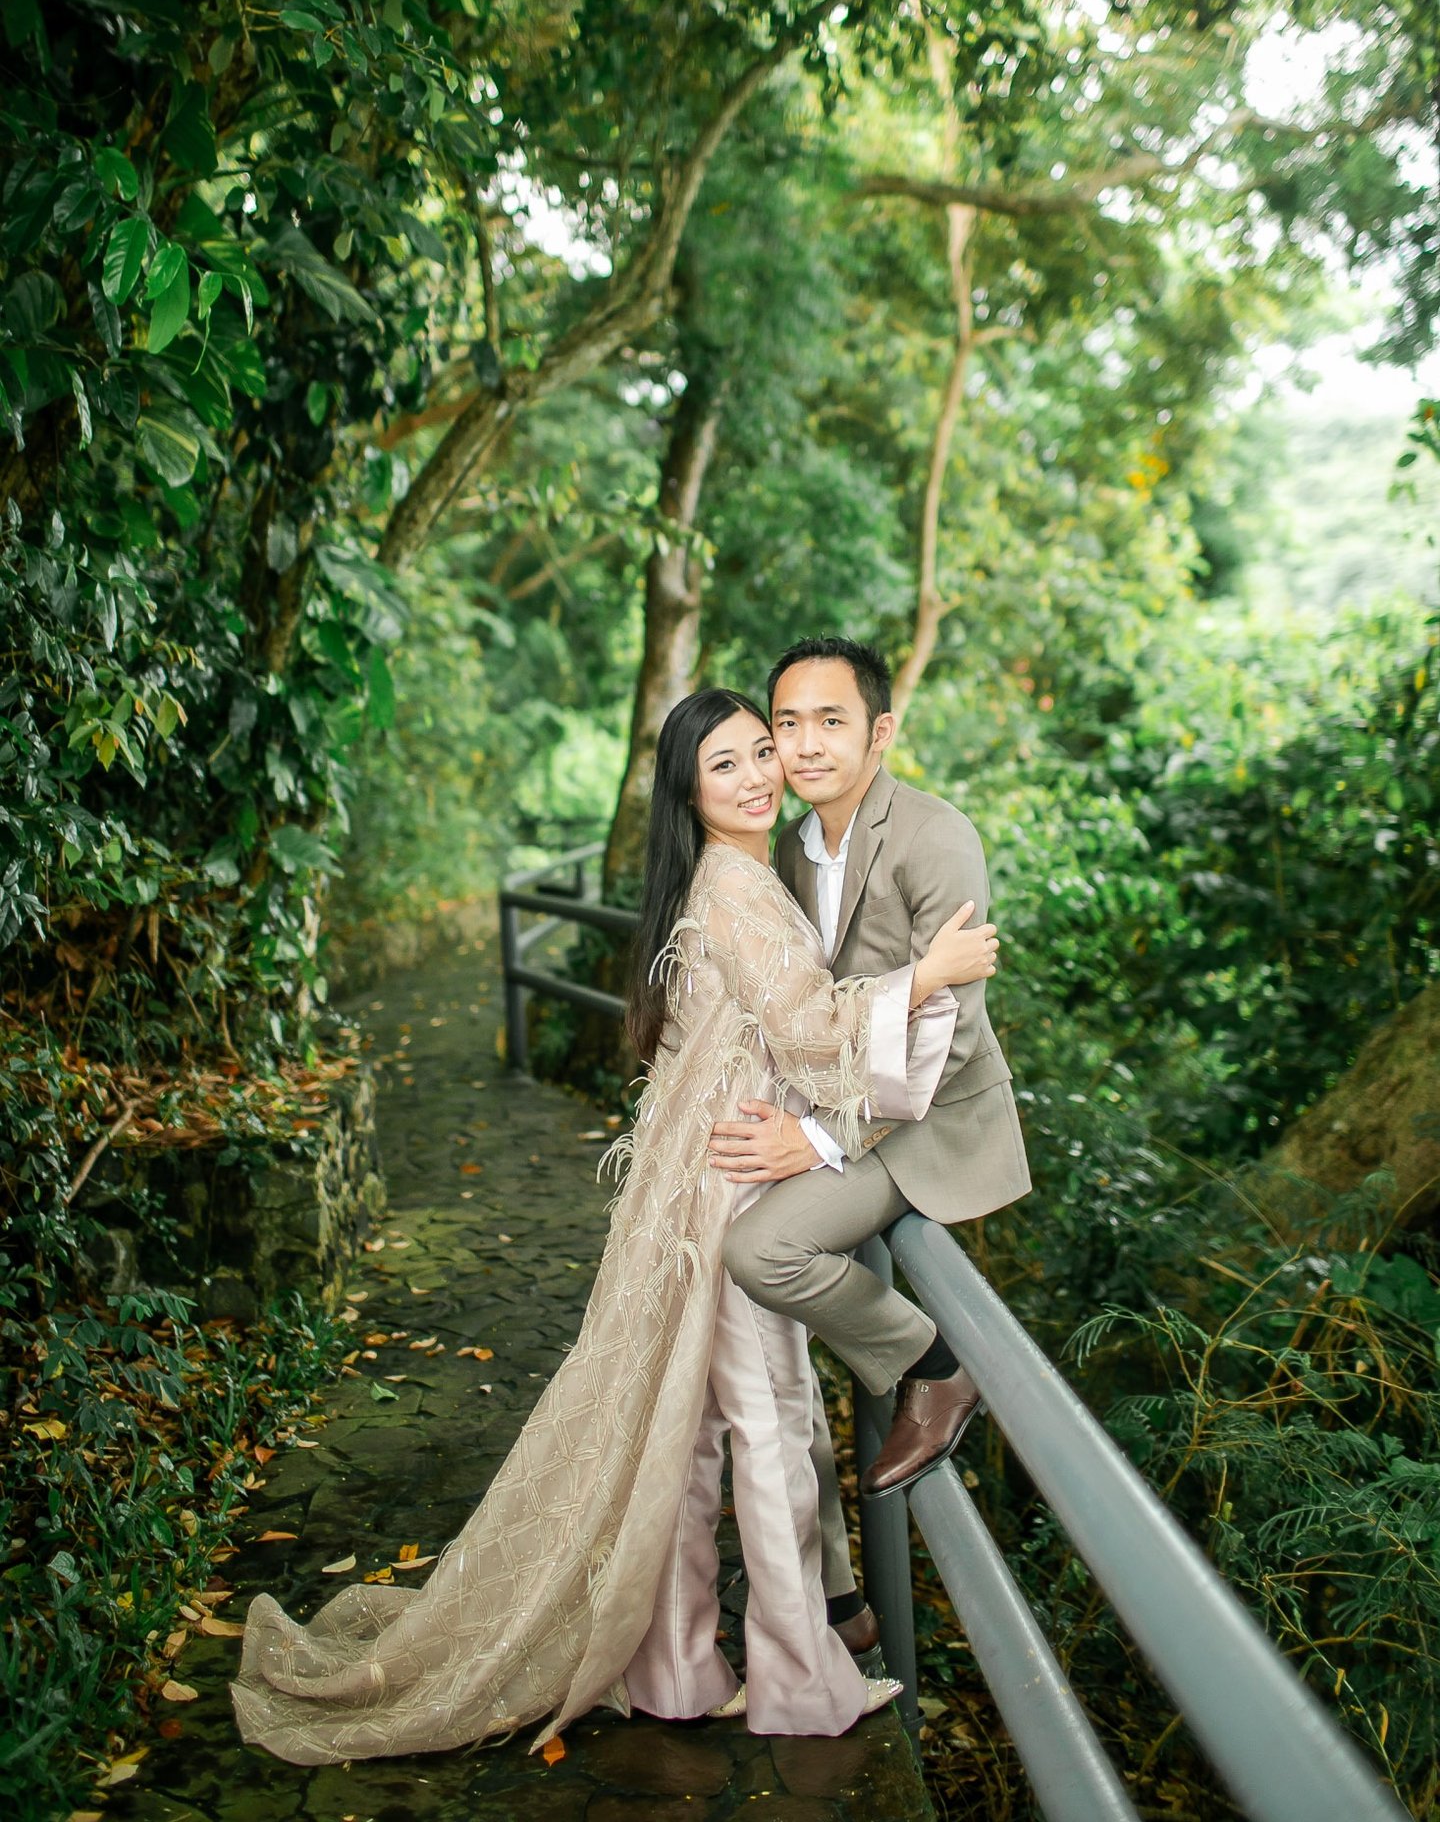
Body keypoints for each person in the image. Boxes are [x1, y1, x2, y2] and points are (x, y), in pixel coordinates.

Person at [230, 687, 998, 1764]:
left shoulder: (720, 880)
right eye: (724, 765)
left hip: (684, 1191)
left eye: (761, 753)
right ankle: (800, 1682)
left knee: (685, 1441)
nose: (758, 776)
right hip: (726, 1188)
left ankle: (678, 1671)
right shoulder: (738, 888)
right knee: (769, 1425)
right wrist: (928, 976)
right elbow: (816, 1029)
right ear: (688, 790)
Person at [713, 639, 1030, 1513]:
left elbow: (951, 1034)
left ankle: (935, 1370)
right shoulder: (787, 849)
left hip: (925, 1119)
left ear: (879, 730)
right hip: (839, 1101)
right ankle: (831, 1575)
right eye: (788, 722)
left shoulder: (935, 837)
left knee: (761, 1249)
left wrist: (815, 1140)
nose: (806, 744)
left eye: (830, 720)